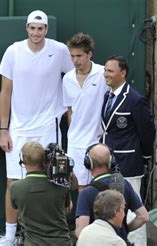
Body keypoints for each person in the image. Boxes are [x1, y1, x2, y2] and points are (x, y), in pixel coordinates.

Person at [0, 9, 73, 246]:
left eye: (41, 29)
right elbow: (5, 92)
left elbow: (73, 81)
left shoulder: (59, 50)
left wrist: (72, 118)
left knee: (53, 180)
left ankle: (48, 234)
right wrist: (3, 130)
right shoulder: (13, 51)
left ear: (46, 30)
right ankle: (10, 237)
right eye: (32, 28)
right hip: (18, 129)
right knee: (13, 182)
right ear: (27, 28)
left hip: (49, 128)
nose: (36, 33)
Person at [101, 55, 155, 245]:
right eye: (105, 70)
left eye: (110, 71)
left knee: (133, 209)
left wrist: (145, 157)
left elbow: (147, 132)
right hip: (111, 163)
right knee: (115, 209)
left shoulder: (135, 99)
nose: (106, 74)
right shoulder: (108, 94)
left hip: (130, 164)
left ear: (122, 73)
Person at [75, 143, 149, 244]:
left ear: (88, 163)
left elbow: (81, 231)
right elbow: (143, 216)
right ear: (111, 162)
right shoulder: (125, 184)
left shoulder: (86, 193)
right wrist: (124, 230)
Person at [62, 33, 108, 190]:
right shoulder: (67, 79)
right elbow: (70, 111)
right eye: (72, 56)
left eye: (79, 56)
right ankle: (82, 216)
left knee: (101, 187)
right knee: (81, 188)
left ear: (89, 54)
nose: (75, 60)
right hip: (75, 143)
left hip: (98, 143)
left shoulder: (103, 74)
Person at [9, 141, 72, 246]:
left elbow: (17, 208)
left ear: (23, 160)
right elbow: (68, 209)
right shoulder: (61, 185)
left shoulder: (15, 187)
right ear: (45, 159)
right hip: (61, 242)